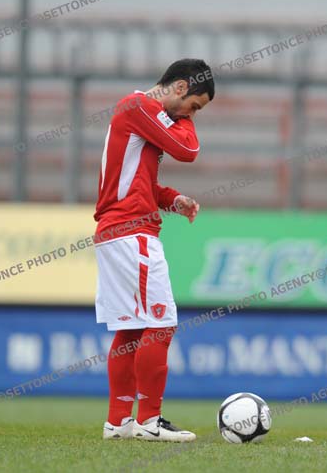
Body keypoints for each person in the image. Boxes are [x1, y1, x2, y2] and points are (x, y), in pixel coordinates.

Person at [93, 59, 214, 442]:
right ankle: (149, 421)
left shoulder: (138, 112)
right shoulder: (139, 105)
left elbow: (135, 180)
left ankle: (118, 422)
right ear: (180, 87)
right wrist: (184, 120)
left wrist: (172, 199)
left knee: (132, 328)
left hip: (116, 229)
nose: (191, 115)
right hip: (132, 231)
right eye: (194, 106)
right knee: (162, 323)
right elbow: (188, 149)